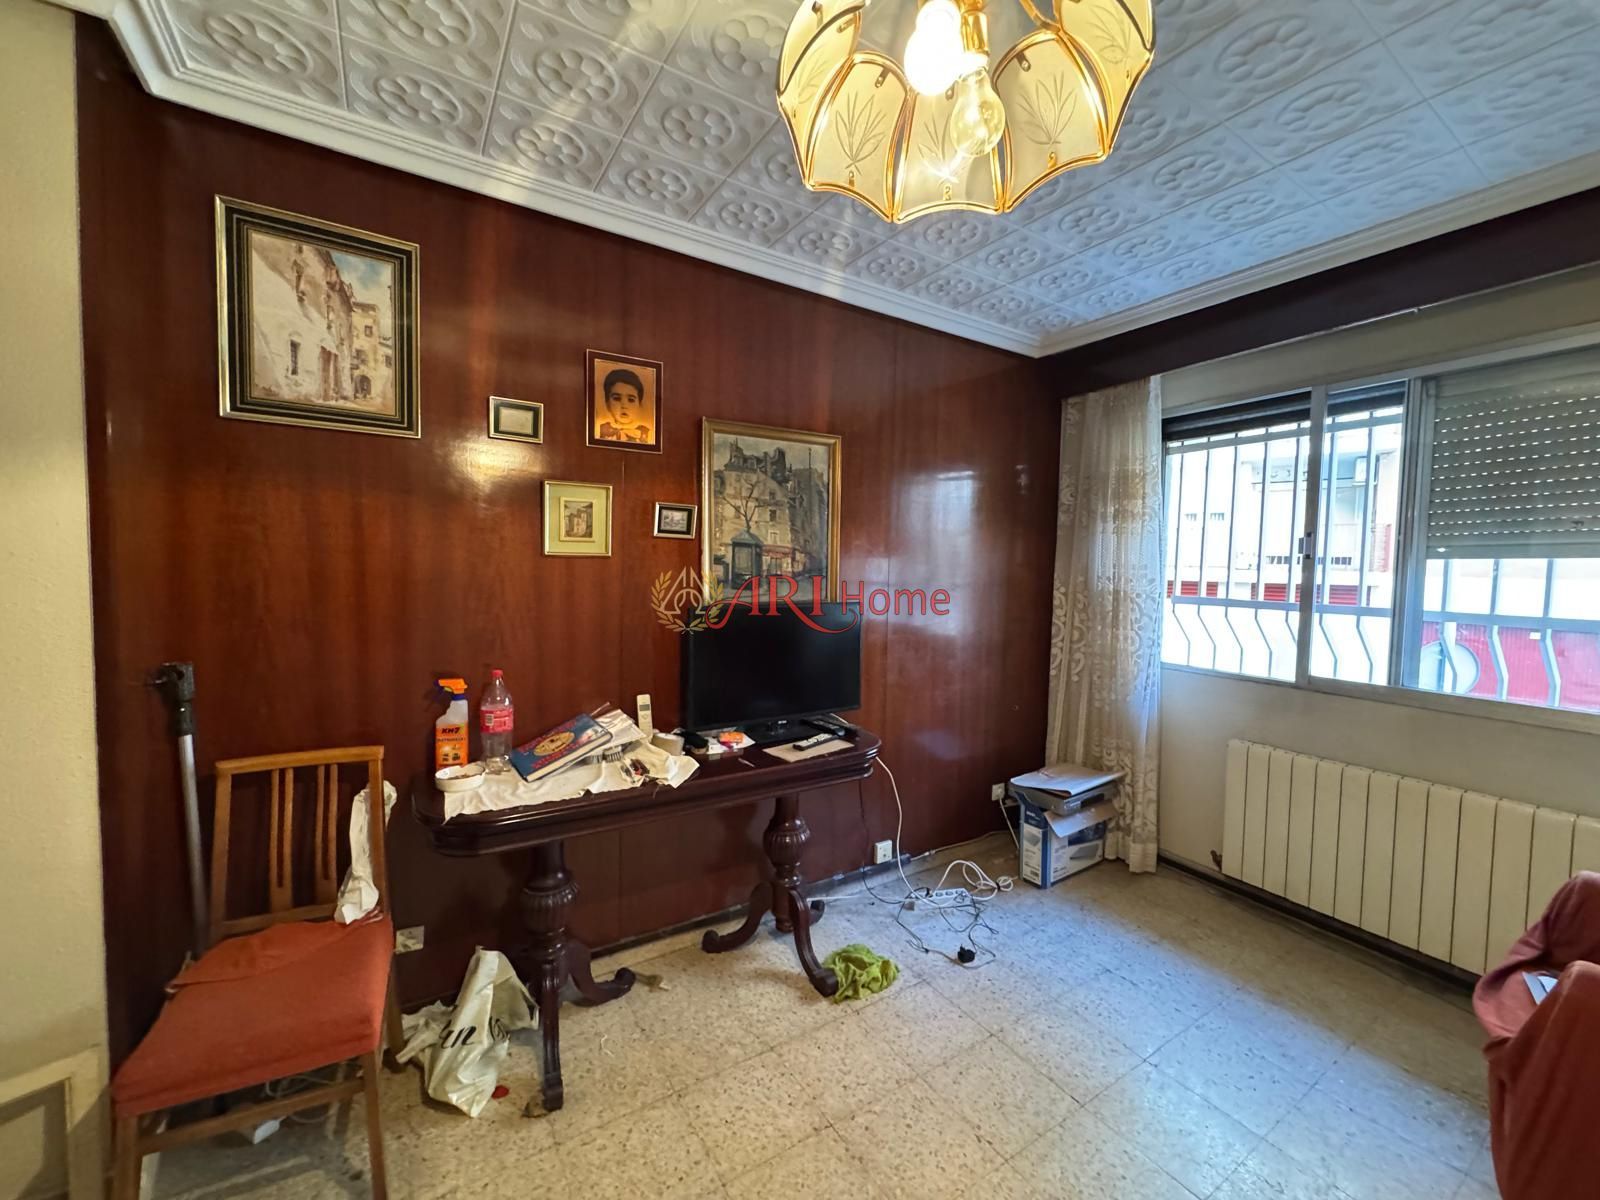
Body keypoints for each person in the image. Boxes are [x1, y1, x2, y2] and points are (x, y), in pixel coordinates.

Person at [596, 368, 653, 444]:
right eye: (617, 399)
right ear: (607, 403)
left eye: (631, 400)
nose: (624, 406)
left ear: (639, 404)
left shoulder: (647, 433)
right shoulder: (600, 429)